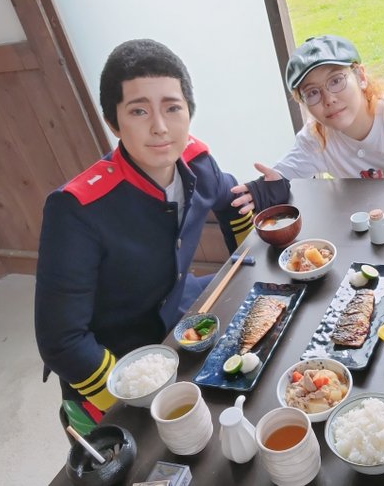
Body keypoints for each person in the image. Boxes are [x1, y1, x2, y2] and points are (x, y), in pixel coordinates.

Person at [34, 39, 289, 436]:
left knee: (281, 340)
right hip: (120, 359)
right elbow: (61, 340)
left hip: (182, 318)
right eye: (139, 110)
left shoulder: (196, 161)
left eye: (172, 107)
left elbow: (232, 200)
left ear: (189, 111)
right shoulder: (76, 208)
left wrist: (253, 241)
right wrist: (128, 400)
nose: (160, 127)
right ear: (113, 122)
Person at [231, 34, 384, 226]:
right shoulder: (317, 138)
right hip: (372, 231)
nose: (329, 99)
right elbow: (283, 176)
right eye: (312, 93)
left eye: (336, 80)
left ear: (361, 77)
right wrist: (266, 189)